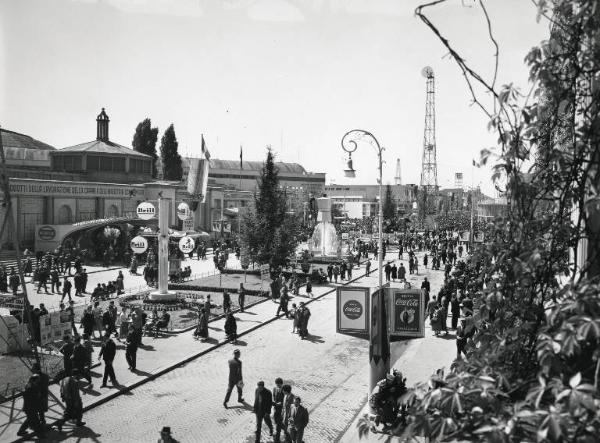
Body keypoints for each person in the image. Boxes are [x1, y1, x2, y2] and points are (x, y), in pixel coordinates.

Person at [16, 374, 45, 438]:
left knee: (29, 420)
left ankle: (20, 432)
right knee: (36, 422)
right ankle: (41, 435)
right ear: (35, 380)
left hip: (29, 407)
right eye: (38, 379)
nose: (39, 380)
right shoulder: (31, 387)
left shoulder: (30, 385)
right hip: (31, 408)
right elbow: (33, 398)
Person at [272, 378, 285, 443]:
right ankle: (286, 431)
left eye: (279, 384)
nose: (278, 385)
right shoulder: (274, 389)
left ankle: (277, 438)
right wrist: (274, 403)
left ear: (281, 384)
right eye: (277, 384)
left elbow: (285, 400)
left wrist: (280, 404)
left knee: (279, 424)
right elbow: (274, 397)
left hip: (281, 410)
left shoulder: (284, 390)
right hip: (276, 409)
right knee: (276, 421)